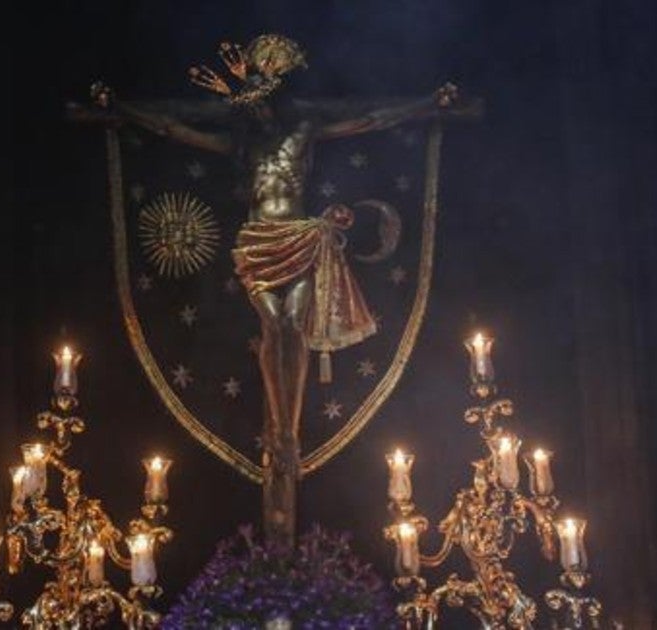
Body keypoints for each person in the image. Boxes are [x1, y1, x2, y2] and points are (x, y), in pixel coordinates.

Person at [90, 34, 456, 543]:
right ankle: (281, 428)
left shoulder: (304, 133)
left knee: (292, 327)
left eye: (263, 96)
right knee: (272, 325)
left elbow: (368, 121)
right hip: (258, 242)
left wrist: (423, 106)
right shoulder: (242, 147)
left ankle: (287, 428)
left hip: (299, 238)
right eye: (250, 99)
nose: (258, 106)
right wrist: (123, 111)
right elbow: (174, 129)